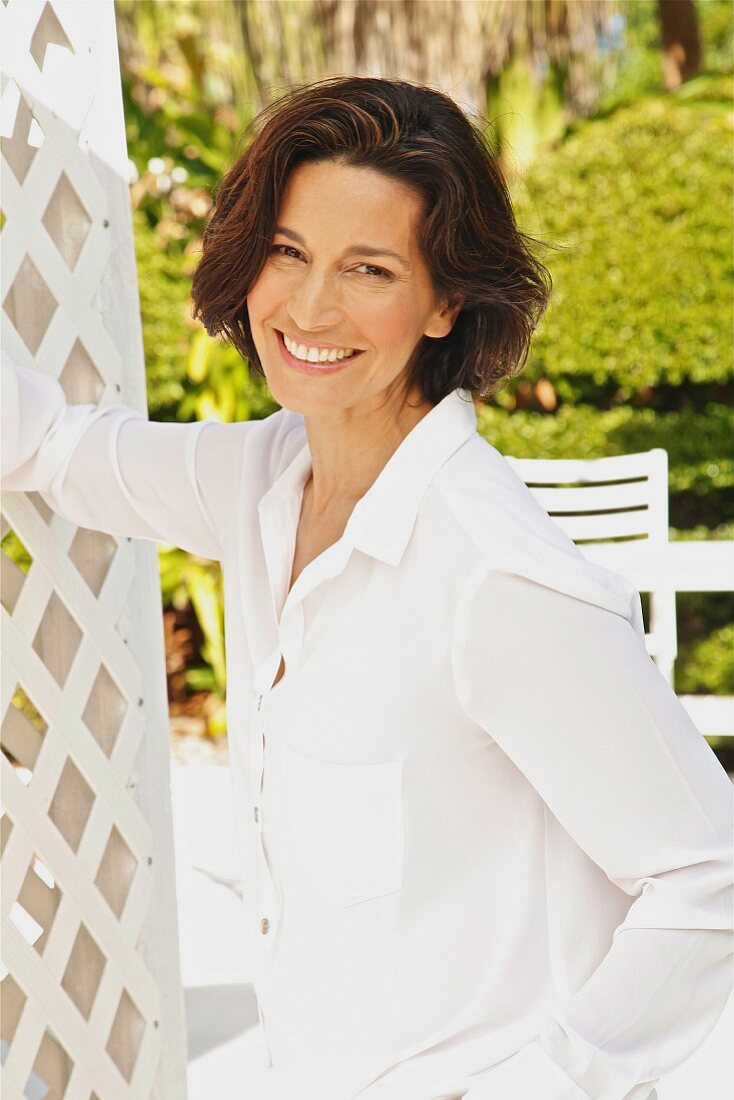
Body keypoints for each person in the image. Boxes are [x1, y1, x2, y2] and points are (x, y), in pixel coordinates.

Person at [2, 76, 732, 1100]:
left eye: (368, 268)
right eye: (289, 251)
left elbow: (709, 876)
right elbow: (56, 443)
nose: (308, 307)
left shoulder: (496, 573)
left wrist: (545, 1083)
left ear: (443, 302)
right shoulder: (261, 480)